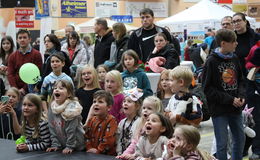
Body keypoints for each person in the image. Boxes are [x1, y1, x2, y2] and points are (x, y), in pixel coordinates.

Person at [202, 29, 245, 160]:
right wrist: (230, 99)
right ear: (223, 43)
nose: (236, 44)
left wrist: (241, 97)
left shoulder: (235, 58)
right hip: (219, 109)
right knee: (222, 143)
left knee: (239, 139)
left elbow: (241, 81)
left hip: (235, 108)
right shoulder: (211, 61)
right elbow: (207, 88)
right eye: (233, 41)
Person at [117, 96, 163, 160]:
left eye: (149, 108)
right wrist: (125, 154)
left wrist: (135, 155)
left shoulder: (159, 128)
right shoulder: (141, 125)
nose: (145, 110)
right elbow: (135, 143)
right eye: (144, 108)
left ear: (157, 111)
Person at [46, 80, 85, 154]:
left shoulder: (73, 108)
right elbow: (52, 127)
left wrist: (70, 146)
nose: (57, 90)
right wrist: (55, 144)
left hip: (77, 145)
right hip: (63, 146)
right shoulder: (52, 107)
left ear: (69, 94)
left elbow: (71, 129)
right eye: (55, 88)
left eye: (61, 88)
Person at [7, 29, 42, 95]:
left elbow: (37, 74)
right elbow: (10, 74)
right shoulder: (12, 56)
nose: (22, 40)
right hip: (16, 92)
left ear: (29, 39)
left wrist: (24, 89)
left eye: (24, 37)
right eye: (20, 38)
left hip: (31, 91)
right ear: (17, 40)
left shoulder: (37, 54)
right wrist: (16, 90)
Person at [85, 90, 118, 155]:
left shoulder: (111, 120)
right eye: (94, 101)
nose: (96, 104)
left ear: (109, 107)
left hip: (107, 156)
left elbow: (109, 140)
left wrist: (98, 150)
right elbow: (86, 136)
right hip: (91, 153)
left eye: (100, 102)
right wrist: (89, 147)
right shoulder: (91, 120)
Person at [116, 87, 142, 155]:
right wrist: (119, 153)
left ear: (137, 106)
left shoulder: (139, 122)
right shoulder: (122, 122)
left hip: (132, 155)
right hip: (121, 155)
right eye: (124, 101)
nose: (125, 103)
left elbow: (137, 142)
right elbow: (119, 140)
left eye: (129, 101)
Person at [245, 42, 260, 160]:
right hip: (255, 93)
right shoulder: (256, 50)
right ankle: (257, 149)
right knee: (256, 121)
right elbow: (250, 75)